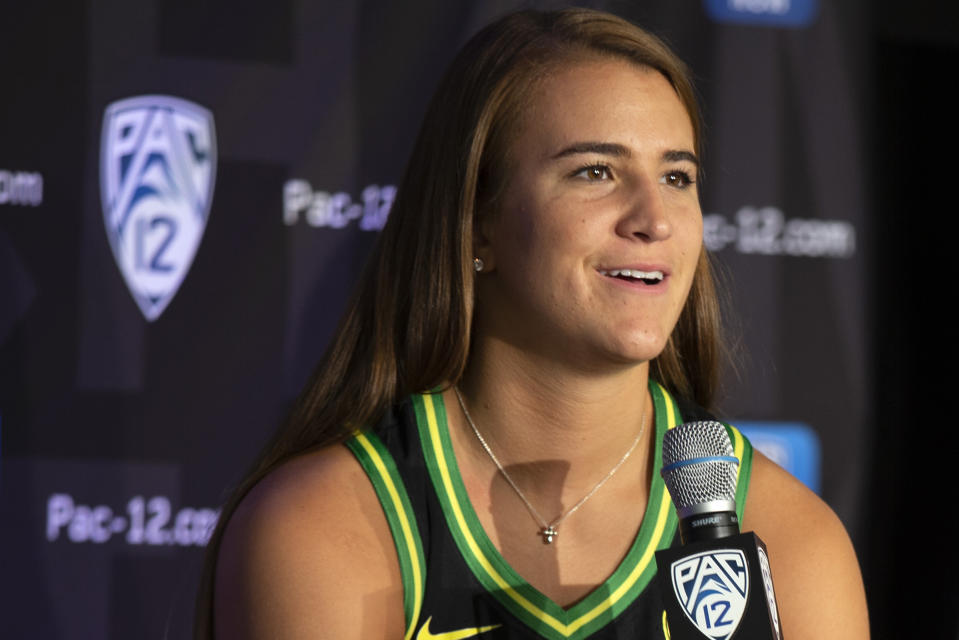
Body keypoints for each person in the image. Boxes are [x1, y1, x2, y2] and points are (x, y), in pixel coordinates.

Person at [196, 8, 868, 639]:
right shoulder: (328, 522)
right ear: (477, 222)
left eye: (676, 177)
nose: (653, 219)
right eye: (595, 171)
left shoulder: (788, 538)